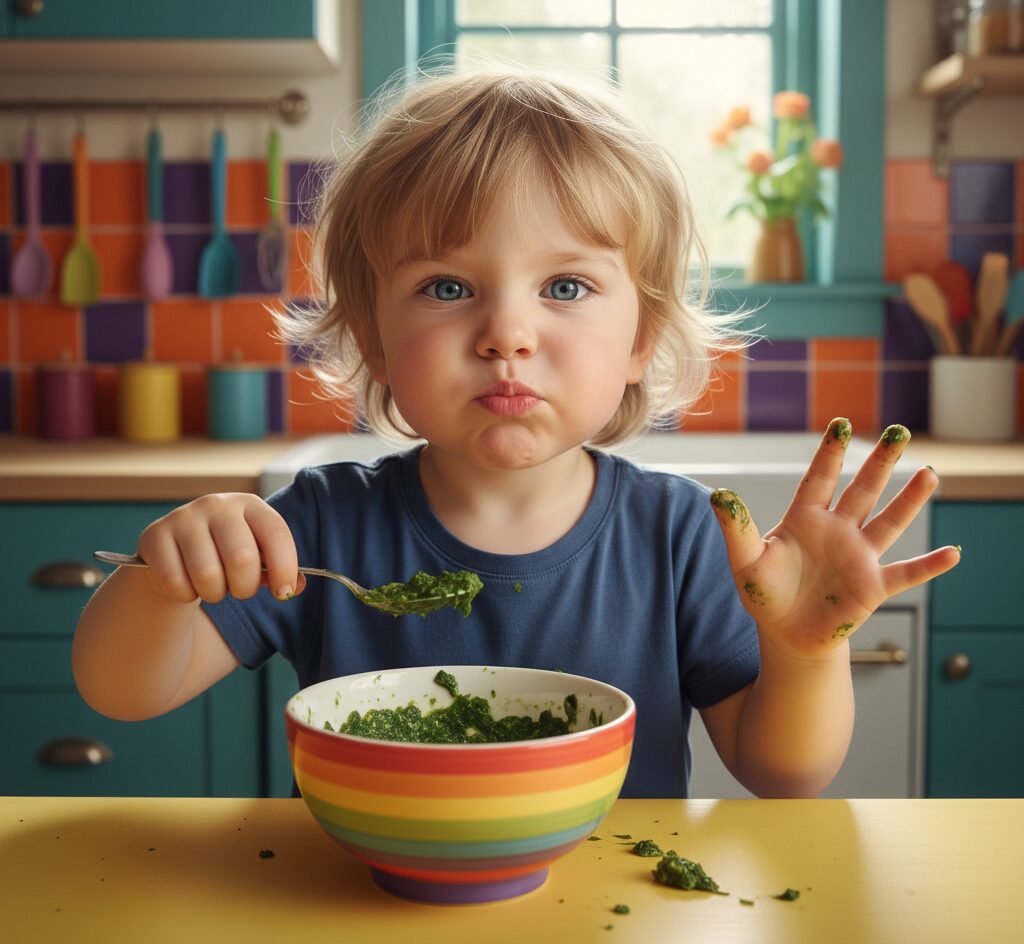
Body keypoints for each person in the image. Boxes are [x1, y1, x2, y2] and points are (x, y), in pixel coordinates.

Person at [72, 65, 959, 798]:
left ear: (641, 336)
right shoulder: (318, 527)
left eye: (565, 287)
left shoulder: (679, 535)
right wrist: (162, 584)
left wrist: (805, 654)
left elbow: (783, 774)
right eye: (448, 288)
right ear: (375, 338)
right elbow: (120, 691)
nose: (507, 334)